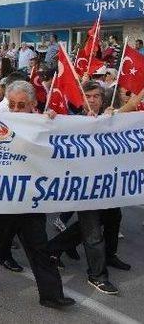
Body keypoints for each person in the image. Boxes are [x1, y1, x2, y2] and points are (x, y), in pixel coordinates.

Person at [0, 80, 74, 309]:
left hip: (32, 196)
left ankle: (50, 294)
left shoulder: (45, 121)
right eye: (13, 105)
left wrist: (55, 123)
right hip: (6, 194)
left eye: (22, 105)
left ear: (33, 104)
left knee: (39, 246)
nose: (16, 110)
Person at [45, 81, 124, 294]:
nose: (91, 100)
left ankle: (55, 247)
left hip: (105, 184)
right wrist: (52, 117)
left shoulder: (109, 118)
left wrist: (110, 120)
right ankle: (97, 276)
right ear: (81, 98)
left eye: (96, 96)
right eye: (87, 96)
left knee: (109, 217)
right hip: (83, 185)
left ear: (102, 98)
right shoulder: (71, 120)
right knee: (92, 230)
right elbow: (52, 129)